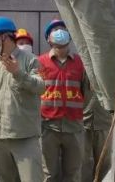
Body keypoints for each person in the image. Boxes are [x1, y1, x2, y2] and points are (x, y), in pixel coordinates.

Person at [0, 16, 45, 182]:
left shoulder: (30, 60)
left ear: (6, 36)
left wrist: (18, 73)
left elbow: (41, 86)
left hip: (24, 137)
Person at [38, 19, 87, 182]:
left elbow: (87, 91)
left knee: (73, 174)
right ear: (48, 38)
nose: (59, 31)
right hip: (47, 126)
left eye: (62, 29)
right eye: (55, 29)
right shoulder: (40, 62)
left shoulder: (81, 63)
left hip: (74, 126)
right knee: (48, 174)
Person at [82, 87, 113, 182]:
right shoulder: (82, 72)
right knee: (82, 163)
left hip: (104, 122)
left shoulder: (109, 72)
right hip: (84, 122)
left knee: (104, 164)